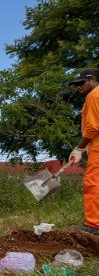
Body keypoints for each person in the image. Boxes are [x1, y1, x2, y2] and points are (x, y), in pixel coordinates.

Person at [68, 69, 99, 234]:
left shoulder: (94, 95)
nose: (78, 87)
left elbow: (93, 127)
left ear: (92, 79)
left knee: (93, 184)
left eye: (81, 83)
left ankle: (94, 225)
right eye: (76, 84)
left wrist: (79, 148)